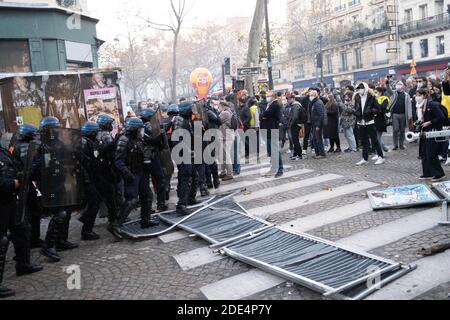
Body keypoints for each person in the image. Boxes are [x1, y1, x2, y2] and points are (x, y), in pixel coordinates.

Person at [1, 131, 43, 299]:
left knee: (22, 230)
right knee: (2, 241)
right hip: (2, 201)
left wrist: (20, 176)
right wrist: (13, 183)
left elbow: (13, 168)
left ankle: (23, 264)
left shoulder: (3, 151)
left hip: (10, 200)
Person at [36, 117, 79, 263]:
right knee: (60, 213)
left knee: (66, 212)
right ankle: (48, 245)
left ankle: (61, 241)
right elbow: (42, 167)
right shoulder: (43, 147)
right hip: (51, 185)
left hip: (61, 181)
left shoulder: (58, 143)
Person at [115, 117, 159, 228]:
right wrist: (126, 173)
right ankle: (116, 225)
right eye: (139, 129)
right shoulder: (124, 140)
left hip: (141, 172)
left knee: (148, 196)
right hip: (132, 173)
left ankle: (145, 220)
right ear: (134, 129)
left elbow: (152, 142)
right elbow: (118, 161)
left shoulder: (139, 139)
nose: (141, 131)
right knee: (132, 200)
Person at [12, 124, 43, 248]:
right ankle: (32, 240)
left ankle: (33, 239)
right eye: (33, 134)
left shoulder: (18, 145)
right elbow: (28, 164)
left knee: (34, 210)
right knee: (32, 212)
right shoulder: (24, 147)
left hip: (25, 182)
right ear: (28, 135)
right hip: (24, 183)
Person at [95, 115, 122, 239]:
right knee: (112, 196)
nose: (112, 125)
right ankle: (114, 222)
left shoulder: (98, 134)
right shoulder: (105, 134)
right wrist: (117, 140)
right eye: (110, 123)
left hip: (101, 170)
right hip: (107, 169)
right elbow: (111, 148)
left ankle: (114, 221)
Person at [171, 101, 199, 215]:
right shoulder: (180, 120)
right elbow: (177, 139)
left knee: (193, 176)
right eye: (190, 109)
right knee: (185, 179)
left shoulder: (185, 120)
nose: (192, 111)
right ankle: (181, 205)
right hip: (183, 155)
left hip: (187, 153)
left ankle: (190, 198)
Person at [139, 108, 169, 212]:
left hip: (142, 159)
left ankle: (147, 208)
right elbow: (152, 141)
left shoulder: (138, 126)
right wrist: (160, 135)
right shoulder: (147, 125)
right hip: (150, 157)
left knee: (145, 184)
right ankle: (161, 204)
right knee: (160, 179)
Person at [417, 88, 446, 182]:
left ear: (424, 95)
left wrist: (429, 122)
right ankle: (427, 173)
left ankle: (439, 174)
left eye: (418, 95)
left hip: (434, 132)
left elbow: (441, 117)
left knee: (431, 153)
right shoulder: (422, 106)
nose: (417, 97)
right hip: (426, 132)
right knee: (424, 153)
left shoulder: (432, 104)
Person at [354, 83, 385, 166]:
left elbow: (378, 108)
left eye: (361, 88)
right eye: (358, 88)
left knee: (375, 140)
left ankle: (380, 157)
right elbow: (356, 107)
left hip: (370, 122)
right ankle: (364, 158)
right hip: (361, 122)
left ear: (365, 88)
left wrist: (370, 111)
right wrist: (356, 112)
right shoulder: (357, 97)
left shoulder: (372, 97)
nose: (359, 89)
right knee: (364, 141)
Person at [261, 91, 284, 177]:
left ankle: (280, 169)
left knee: (275, 150)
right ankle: (274, 168)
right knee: (271, 151)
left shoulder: (275, 105)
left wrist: (263, 116)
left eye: (269, 96)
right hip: (268, 130)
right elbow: (264, 115)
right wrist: (263, 116)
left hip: (272, 129)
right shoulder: (270, 105)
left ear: (273, 96)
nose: (267, 97)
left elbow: (266, 114)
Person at [386, 79, 413, 151]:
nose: (399, 85)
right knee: (395, 129)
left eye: (400, 84)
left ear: (403, 86)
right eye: (398, 84)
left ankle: (401, 144)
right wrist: (387, 83)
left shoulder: (406, 95)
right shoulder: (393, 93)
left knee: (402, 130)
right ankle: (395, 145)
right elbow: (388, 89)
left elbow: (409, 105)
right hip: (395, 114)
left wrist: (410, 115)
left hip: (403, 115)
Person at [219, 101, 235, 181]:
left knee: (226, 155)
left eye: (219, 106)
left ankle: (229, 173)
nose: (218, 108)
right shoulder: (229, 111)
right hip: (226, 135)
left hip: (226, 136)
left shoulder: (225, 113)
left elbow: (217, 120)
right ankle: (223, 172)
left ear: (222, 106)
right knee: (223, 155)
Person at [309, 88, 326, 159]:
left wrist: (318, 125)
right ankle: (317, 153)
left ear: (315, 95)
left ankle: (321, 154)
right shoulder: (314, 102)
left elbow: (321, 115)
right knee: (315, 139)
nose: (310, 96)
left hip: (317, 124)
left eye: (311, 95)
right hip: (314, 124)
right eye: (310, 95)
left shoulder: (318, 103)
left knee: (318, 139)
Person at [287, 94, 306, 161]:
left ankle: (299, 155)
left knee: (295, 140)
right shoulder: (295, 105)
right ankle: (295, 154)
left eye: (289, 99)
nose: (288, 101)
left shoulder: (295, 105)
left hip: (295, 125)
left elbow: (295, 116)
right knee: (294, 140)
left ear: (293, 98)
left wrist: (291, 124)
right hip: (296, 124)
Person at [374, 87, 390, 154]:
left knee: (377, 138)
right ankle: (384, 149)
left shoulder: (385, 98)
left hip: (381, 119)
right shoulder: (375, 99)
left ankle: (380, 153)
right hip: (375, 119)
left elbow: (382, 108)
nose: (375, 94)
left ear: (380, 92)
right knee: (377, 137)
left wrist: (375, 103)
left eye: (376, 92)